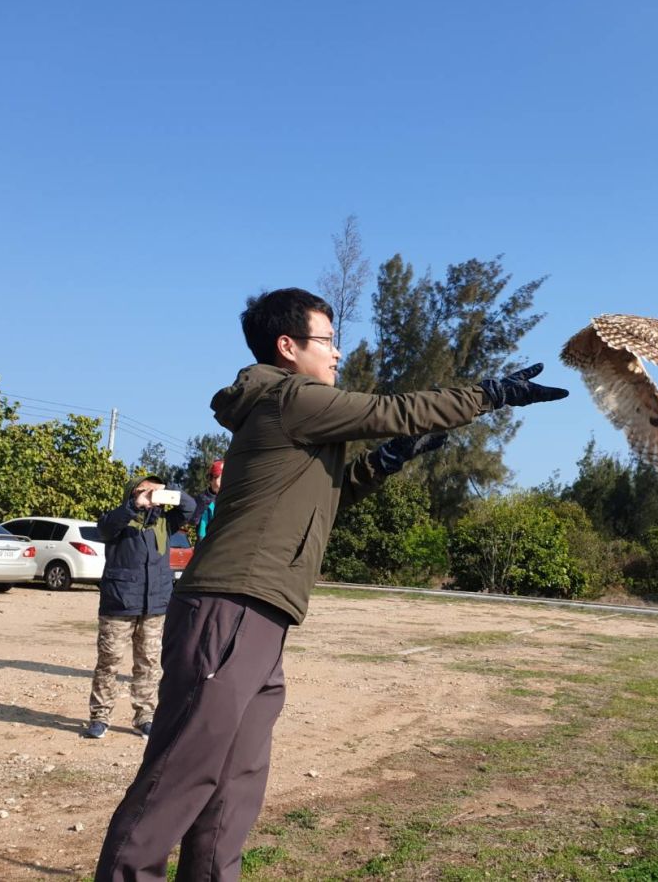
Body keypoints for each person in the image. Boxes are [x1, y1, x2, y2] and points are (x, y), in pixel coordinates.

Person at [94, 287, 568, 880]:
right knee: (181, 775)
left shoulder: (294, 414)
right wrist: (490, 395)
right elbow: (392, 409)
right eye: (328, 339)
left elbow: (326, 495)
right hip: (230, 604)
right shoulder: (293, 397)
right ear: (288, 347)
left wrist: (390, 460)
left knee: (234, 785)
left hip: (261, 614)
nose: (338, 352)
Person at [84, 475, 196, 741]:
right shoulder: (119, 519)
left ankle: (144, 717)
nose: (151, 494)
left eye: (155, 489)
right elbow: (104, 529)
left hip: (154, 606)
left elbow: (190, 508)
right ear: (132, 493)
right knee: (108, 663)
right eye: (145, 489)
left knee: (148, 664)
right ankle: (99, 717)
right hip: (119, 605)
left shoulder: (165, 523)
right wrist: (135, 503)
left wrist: (169, 493)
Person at [190, 458, 223, 528]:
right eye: (219, 478)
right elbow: (193, 520)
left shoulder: (228, 497)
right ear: (211, 480)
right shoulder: (202, 499)